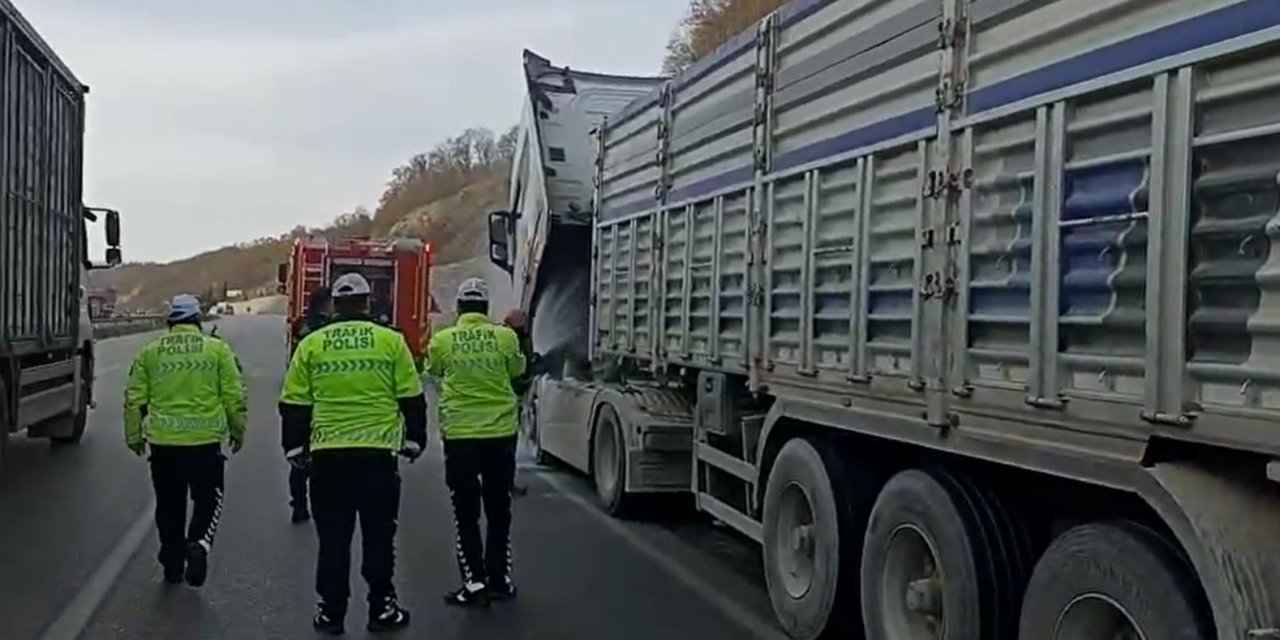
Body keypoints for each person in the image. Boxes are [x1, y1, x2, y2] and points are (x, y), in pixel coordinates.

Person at [279, 272, 427, 635]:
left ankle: (331, 614)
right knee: (379, 538)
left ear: (335, 305)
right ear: (366, 302)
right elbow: (412, 397)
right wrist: (415, 440)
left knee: (333, 539)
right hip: (377, 458)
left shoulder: (312, 344)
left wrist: (294, 448)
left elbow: (294, 402)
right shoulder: (391, 342)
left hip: (328, 458)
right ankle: (382, 609)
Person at [123, 294, 247, 587]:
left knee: (169, 504)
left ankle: (171, 562)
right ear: (198, 320)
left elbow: (134, 400)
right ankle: (199, 543)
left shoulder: (149, 352)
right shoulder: (217, 350)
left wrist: (134, 436)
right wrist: (237, 430)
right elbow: (234, 395)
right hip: (204, 443)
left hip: (163, 444)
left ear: (170, 322)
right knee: (209, 498)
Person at [427, 278, 526, 607]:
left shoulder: (443, 340)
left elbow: (434, 371)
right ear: (486, 308)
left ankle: (473, 583)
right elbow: (518, 372)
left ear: (458, 308)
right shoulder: (505, 337)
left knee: (465, 513)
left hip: (460, 438)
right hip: (500, 437)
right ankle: (500, 580)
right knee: (499, 511)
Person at [286, 286, 334, 524]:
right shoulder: (328, 329)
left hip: (304, 397)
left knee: (299, 457)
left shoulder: (303, 324)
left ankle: (299, 504)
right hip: (323, 398)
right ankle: (316, 505)